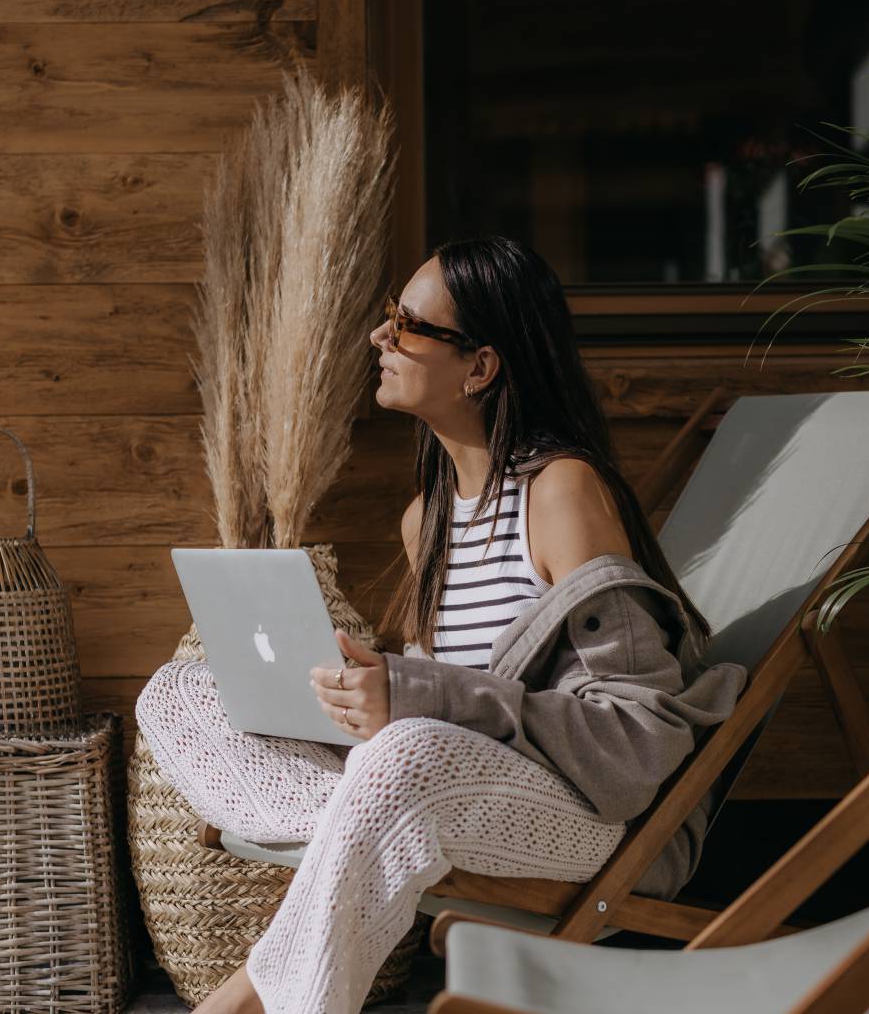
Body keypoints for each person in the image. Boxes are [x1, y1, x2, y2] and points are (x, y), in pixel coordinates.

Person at [135, 235, 747, 1014]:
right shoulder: (426, 521)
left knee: (407, 749)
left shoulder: (560, 494)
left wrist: (418, 699)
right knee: (180, 691)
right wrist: (359, 693)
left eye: (408, 324)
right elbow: (441, 712)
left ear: (480, 367)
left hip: (579, 815)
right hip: (434, 791)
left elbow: (637, 740)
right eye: (389, 318)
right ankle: (356, 818)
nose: (379, 336)